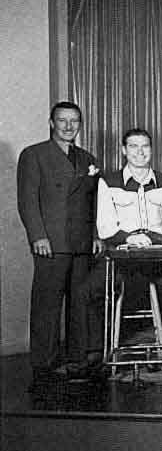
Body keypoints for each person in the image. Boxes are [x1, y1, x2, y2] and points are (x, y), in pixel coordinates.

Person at [75, 128, 162, 385]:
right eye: (134, 146)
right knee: (86, 291)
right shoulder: (108, 181)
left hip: (158, 260)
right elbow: (105, 227)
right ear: (124, 150)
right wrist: (129, 237)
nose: (140, 152)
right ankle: (93, 358)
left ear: (152, 149)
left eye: (145, 146)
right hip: (122, 260)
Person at [17, 101, 104, 384]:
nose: (69, 126)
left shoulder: (88, 158)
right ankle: (45, 363)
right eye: (63, 120)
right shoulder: (34, 155)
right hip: (51, 241)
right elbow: (27, 201)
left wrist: (95, 236)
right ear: (51, 122)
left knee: (80, 303)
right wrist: (37, 235)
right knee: (47, 304)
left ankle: (77, 359)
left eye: (75, 121)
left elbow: (94, 204)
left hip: (81, 242)